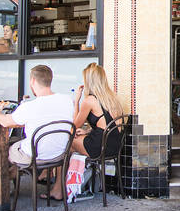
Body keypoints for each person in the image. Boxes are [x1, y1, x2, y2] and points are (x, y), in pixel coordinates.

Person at [0, 65, 74, 199]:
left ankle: (2, 183)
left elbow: (6, 122)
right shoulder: (67, 100)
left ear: (32, 81)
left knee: (9, 148)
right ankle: (56, 188)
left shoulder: (29, 106)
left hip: (35, 156)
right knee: (41, 143)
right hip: (60, 154)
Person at [47, 63, 125, 200]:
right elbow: (106, 126)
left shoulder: (89, 100)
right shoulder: (113, 98)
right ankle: (73, 184)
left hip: (99, 148)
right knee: (72, 141)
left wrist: (76, 101)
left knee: (67, 143)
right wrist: (88, 132)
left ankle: (59, 187)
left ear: (89, 81)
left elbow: (74, 126)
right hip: (114, 146)